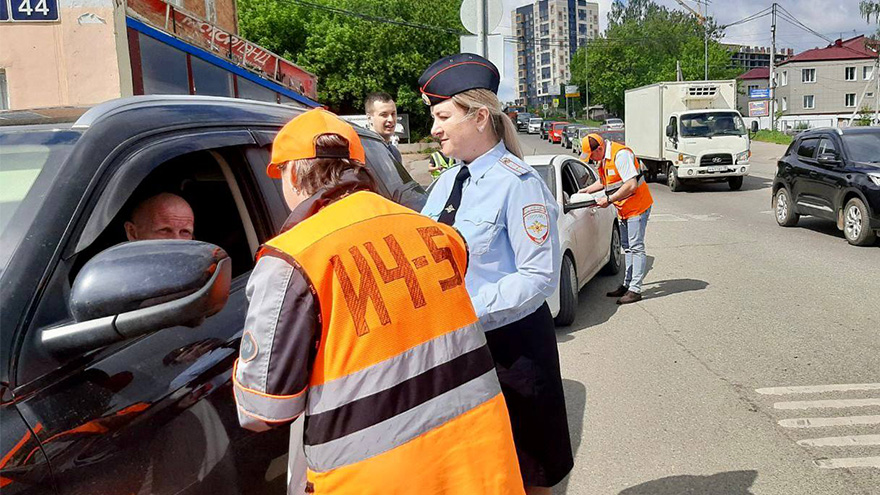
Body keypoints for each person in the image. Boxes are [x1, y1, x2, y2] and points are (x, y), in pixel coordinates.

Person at [232, 108, 524, 495]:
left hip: (374, 479)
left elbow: (263, 411)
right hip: (481, 461)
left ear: (292, 174)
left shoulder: (291, 260)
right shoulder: (436, 233)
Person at [418, 53, 573, 495]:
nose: (434, 129)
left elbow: (537, 276)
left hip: (512, 348)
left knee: (527, 470)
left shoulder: (518, 182)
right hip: (458, 346)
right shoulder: (447, 182)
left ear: (480, 116)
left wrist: (464, 308)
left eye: (443, 116)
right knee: (475, 468)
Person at [579, 133, 653, 304]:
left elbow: (631, 185)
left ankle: (635, 289)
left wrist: (609, 200)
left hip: (637, 207)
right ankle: (627, 285)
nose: (591, 160)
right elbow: (605, 183)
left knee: (636, 247)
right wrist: (587, 191)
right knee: (627, 247)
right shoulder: (604, 158)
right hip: (624, 208)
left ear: (599, 148)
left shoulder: (620, 156)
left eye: (592, 155)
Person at [124, 192, 194, 241]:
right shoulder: (116, 261)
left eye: (185, 232)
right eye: (165, 230)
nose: (177, 240)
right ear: (132, 232)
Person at [364, 91, 402, 163]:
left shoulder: (395, 152)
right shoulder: (364, 153)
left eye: (393, 114)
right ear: (369, 118)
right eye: (384, 115)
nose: (391, 119)